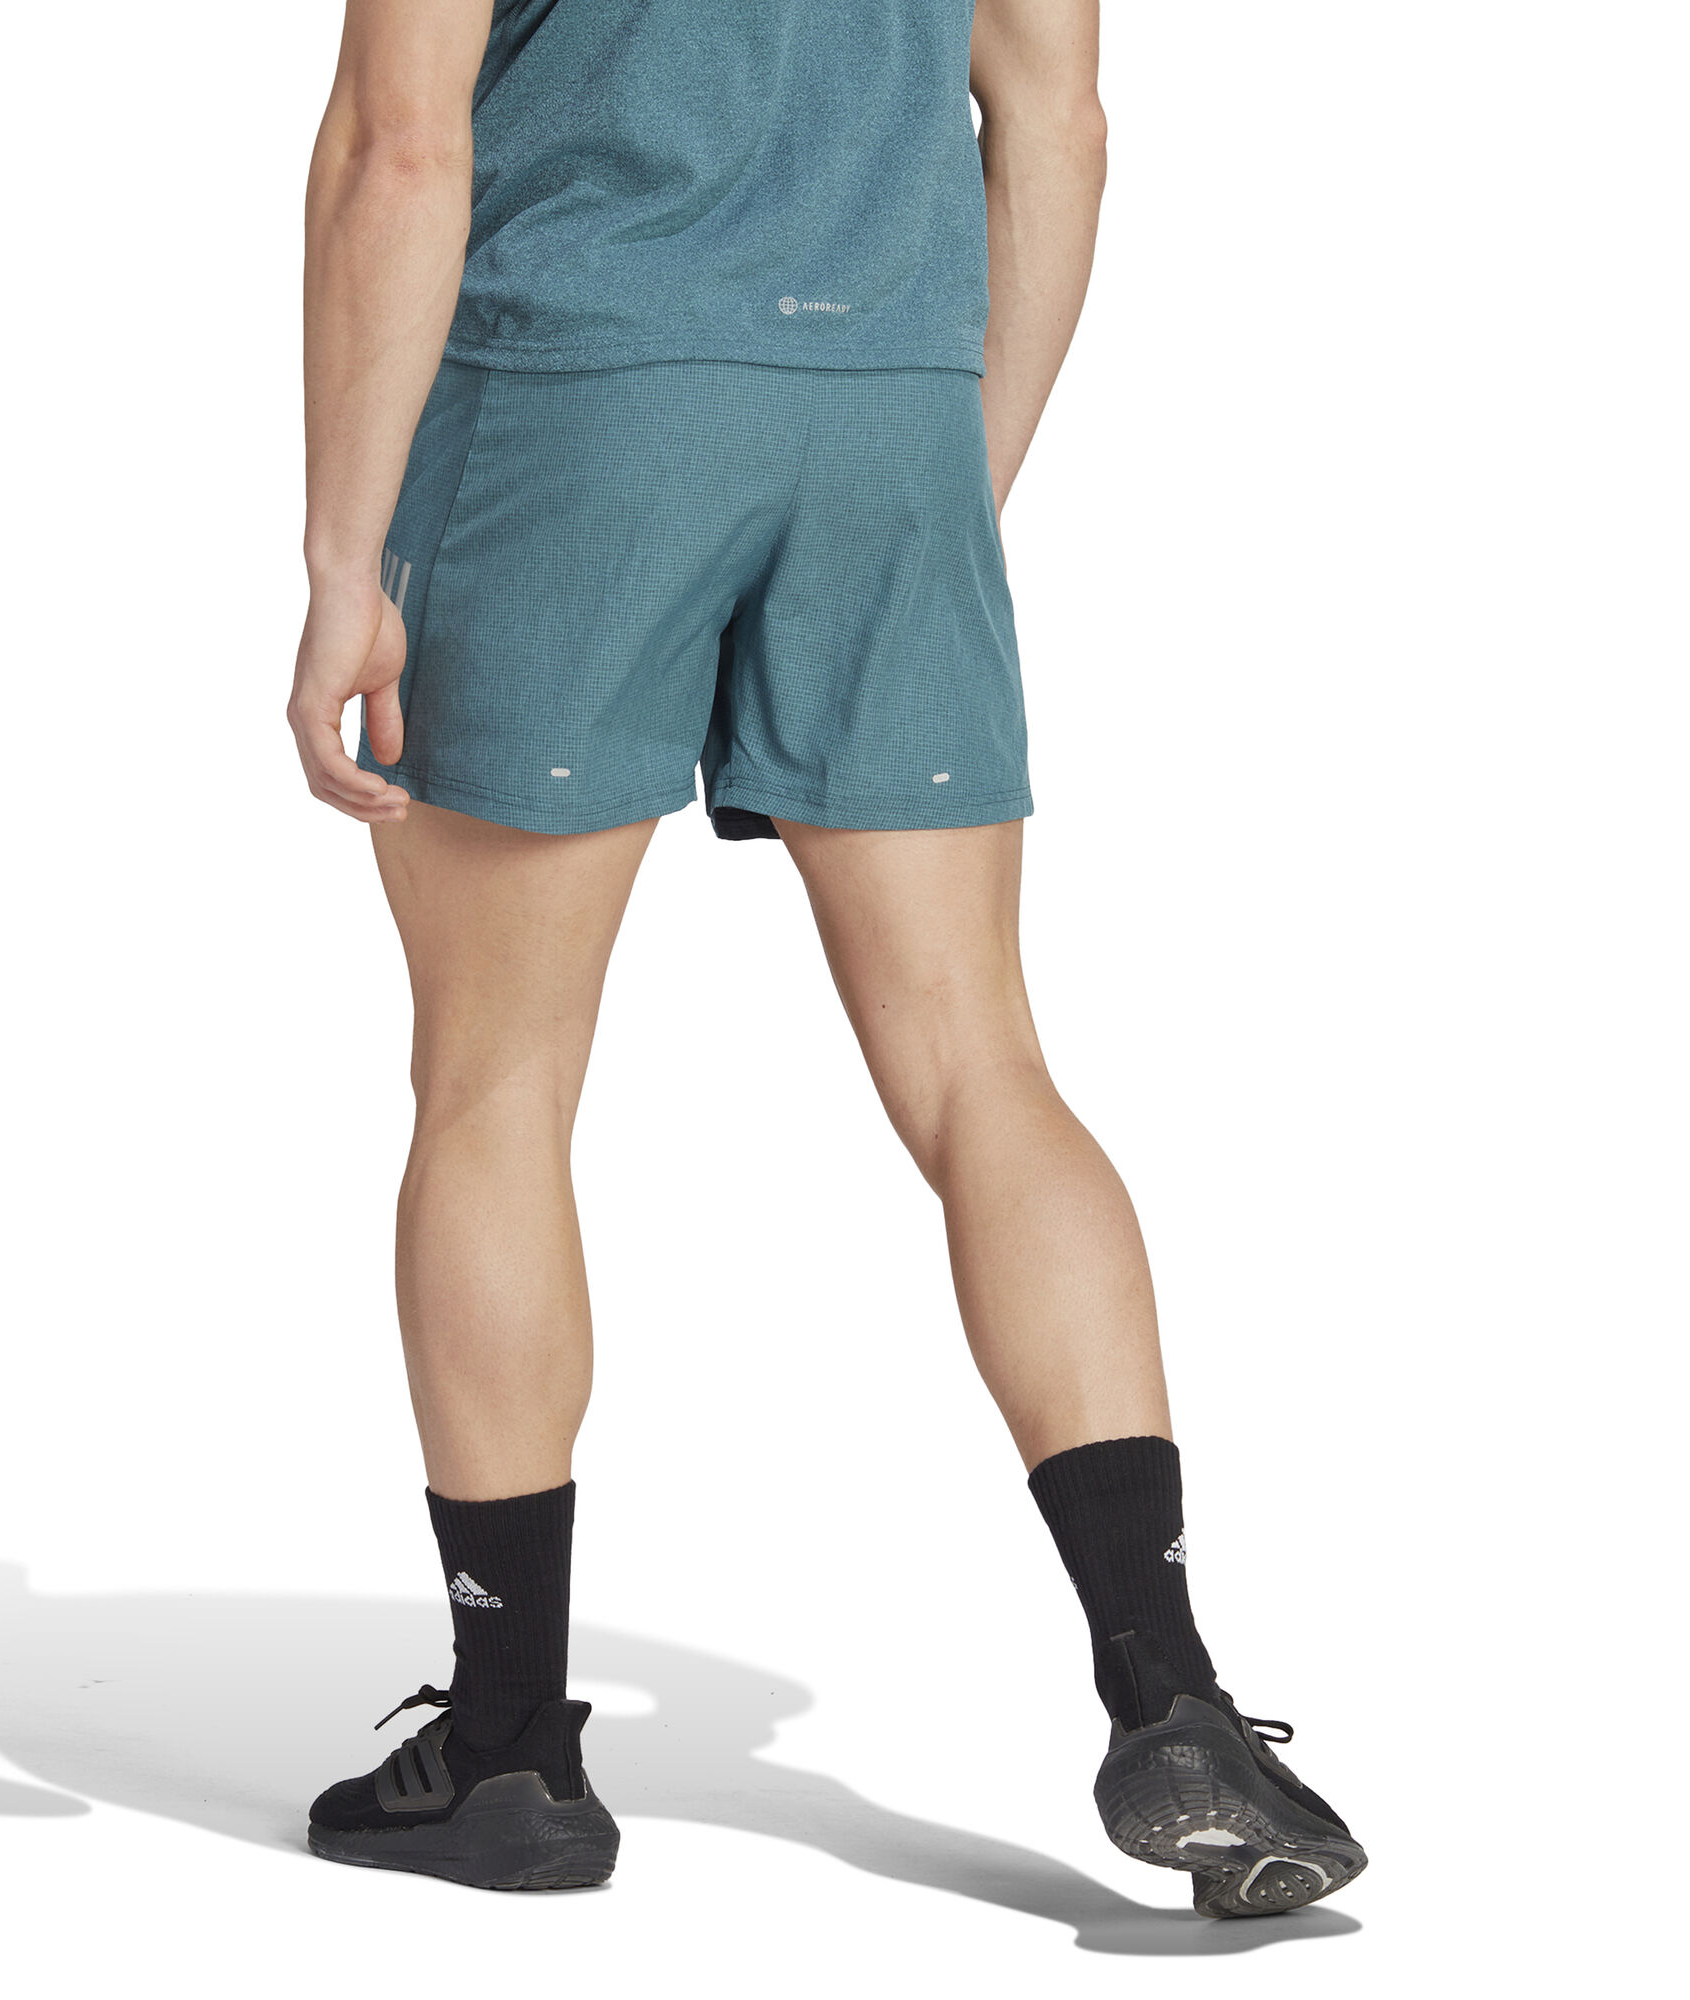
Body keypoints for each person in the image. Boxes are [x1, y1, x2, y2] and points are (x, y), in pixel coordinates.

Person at [288, 0, 1364, 1916]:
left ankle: (510, 1749)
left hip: (579, 394)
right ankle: (1171, 1693)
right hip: (891, 410)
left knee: (496, 1079)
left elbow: (400, 145)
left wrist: (339, 562)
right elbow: (1060, 120)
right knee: (983, 1069)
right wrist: (937, 474)